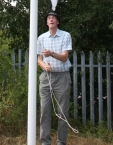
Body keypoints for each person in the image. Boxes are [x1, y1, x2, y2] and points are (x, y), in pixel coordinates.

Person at [37, 12, 72, 145]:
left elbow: (64, 57)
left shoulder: (65, 35)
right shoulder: (41, 38)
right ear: (47, 23)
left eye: (54, 18)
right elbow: (39, 59)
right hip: (46, 77)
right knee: (45, 110)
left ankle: (61, 142)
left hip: (62, 77)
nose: (51, 19)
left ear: (57, 22)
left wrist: (51, 53)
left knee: (62, 112)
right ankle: (45, 142)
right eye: (48, 18)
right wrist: (44, 66)